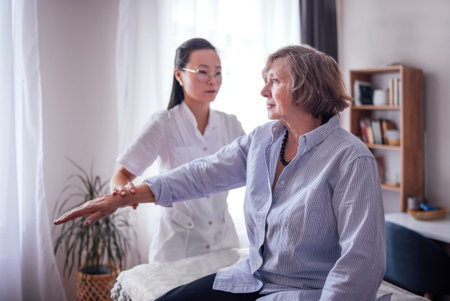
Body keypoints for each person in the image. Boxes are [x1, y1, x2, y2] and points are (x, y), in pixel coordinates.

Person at [54, 45, 386, 300]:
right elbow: (202, 173)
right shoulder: (262, 140)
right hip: (251, 278)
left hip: (304, 292)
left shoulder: (351, 160)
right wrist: (122, 198)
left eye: (274, 81)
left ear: (308, 87)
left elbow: (361, 260)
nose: (263, 91)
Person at [109, 38, 245, 262]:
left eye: (218, 73)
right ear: (179, 75)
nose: (213, 80)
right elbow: (121, 174)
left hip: (224, 244)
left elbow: (255, 169)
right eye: (203, 72)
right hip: (177, 246)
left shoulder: (231, 124)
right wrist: (122, 195)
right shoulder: (164, 123)